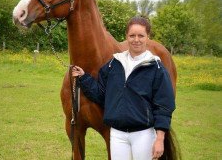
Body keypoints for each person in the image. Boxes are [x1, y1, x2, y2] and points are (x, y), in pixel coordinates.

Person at [72, 17, 175, 160]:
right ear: (126, 37)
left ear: (148, 37)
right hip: (117, 135)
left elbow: (164, 105)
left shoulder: (157, 68)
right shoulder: (113, 64)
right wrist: (84, 78)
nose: (136, 40)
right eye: (132, 35)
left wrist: (159, 139)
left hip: (143, 134)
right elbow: (102, 95)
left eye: (141, 36)